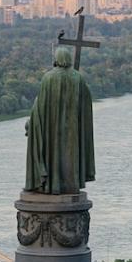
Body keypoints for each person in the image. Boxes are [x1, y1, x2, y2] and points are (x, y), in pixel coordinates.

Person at [24, 46, 95, 194]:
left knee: (52, 153)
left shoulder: (49, 78)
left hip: (51, 128)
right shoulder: (78, 78)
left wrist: (32, 122)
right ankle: (70, 184)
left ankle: (51, 184)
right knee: (70, 155)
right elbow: (86, 103)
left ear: (56, 59)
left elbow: (41, 105)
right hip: (73, 129)